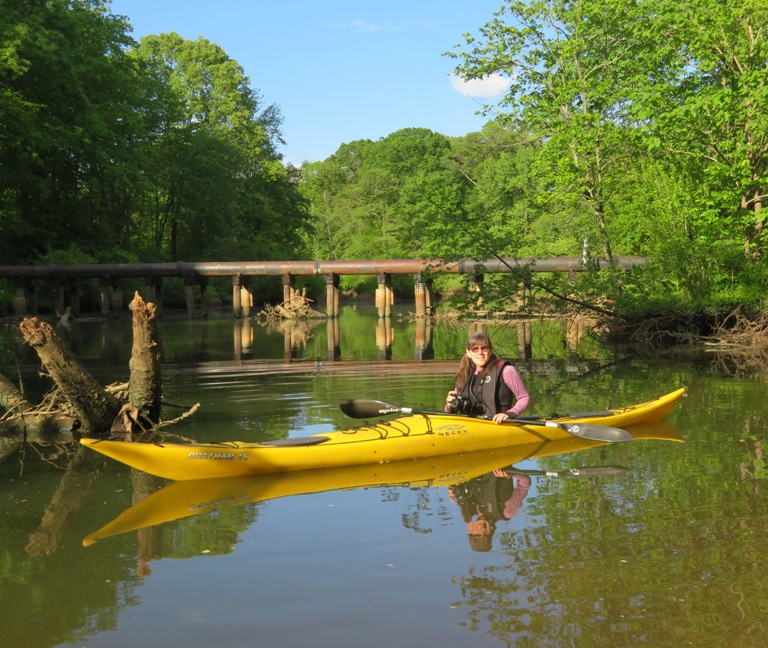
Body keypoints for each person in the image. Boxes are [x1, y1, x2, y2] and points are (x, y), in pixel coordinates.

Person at [445, 331, 530, 423]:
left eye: (484, 348)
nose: (480, 352)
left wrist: (509, 414)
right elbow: (449, 411)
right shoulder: (465, 374)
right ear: (468, 352)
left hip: (498, 425)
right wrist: (449, 406)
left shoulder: (506, 370)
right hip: (470, 425)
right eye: (475, 349)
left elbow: (524, 398)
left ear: (491, 350)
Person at [448, 469, 532, 552]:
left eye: (477, 535)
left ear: (470, 529)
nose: (482, 529)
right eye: (486, 535)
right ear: (491, 531)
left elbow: (457, 481)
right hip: (499, 463)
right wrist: (509, 474)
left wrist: (452, 487)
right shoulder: (507, 511)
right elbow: (525, 482)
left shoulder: (468, 508)